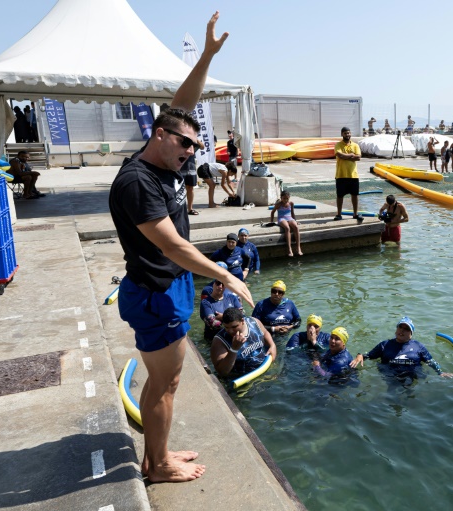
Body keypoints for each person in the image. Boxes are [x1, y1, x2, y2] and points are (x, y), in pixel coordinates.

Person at [108, 12, 245, 483]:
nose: (191, 151)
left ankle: (156, 454)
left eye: (195, 145)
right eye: (184, 143)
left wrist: (206, 56)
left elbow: (182, 107)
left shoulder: (167, 160)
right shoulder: (138, 181)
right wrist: (224, 274)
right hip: (155, 291)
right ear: (159, 136)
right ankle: (160, 465)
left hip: (171, 286)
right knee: (166, 383)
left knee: (163, 379)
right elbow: (171, 245)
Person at [349, 317, 453, 380]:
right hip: (389, 376)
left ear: (411, 334)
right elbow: (368, 356)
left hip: (412, 376)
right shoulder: (384, 345)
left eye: (406, 329)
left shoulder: (418, 346)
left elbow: (430, 361)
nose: (402, 330)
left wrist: (440, 372)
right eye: (400, 327)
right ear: (396, 330)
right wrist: (360, 355)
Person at [210, 307, 276, 378]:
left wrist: (272, 345)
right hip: (242, 379)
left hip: (265, 367)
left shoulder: (253, 322)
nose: (230, 331)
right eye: (226, 327)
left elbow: (265, 332)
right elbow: (222, 372)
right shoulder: (219, 340)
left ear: (242, 321)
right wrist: (234, 349)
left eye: (234, 327)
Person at [334, 127, 363, 222]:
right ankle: (339, 214)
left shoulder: (355, 145)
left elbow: (358, 157)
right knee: (340, 196)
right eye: (345, 133)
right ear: (342, 134)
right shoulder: (338, 145)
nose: (347, 135)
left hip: (353, 175)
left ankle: (355, 214)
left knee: (355, 195)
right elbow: (339, 155)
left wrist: (345, 156)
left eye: (349, 133)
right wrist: (351, 155)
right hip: (341, 175)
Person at [270, 190, 303, 257]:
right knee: (287, 228)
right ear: (281, 198)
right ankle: (289, 249)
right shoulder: (278, 204)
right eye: (284, 198)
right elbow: (272, 212)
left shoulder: (291, 203)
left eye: (287, 198)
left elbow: (292, 213)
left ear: (289, 198)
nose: (285, 200)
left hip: (289, 218)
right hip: (282, 218)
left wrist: (295, 221)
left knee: (296, 227)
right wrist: (271, 222)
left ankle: (298, 248)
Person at [179, 138, 205, 215]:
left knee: (190, 188)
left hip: (191, 167)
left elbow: (202, 146)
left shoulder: (193, 141)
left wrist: (195, 138)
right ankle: (179, 210)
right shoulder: (179, 139)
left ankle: (190, 209)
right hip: (180, 167)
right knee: (179, 189)